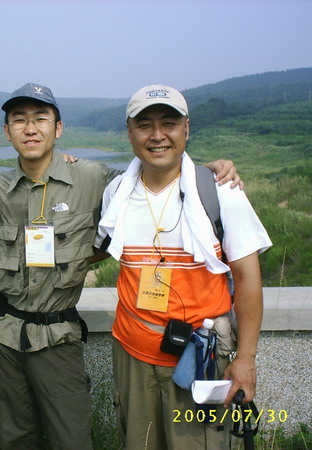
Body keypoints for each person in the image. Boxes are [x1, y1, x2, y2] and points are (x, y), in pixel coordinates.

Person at [0, 82, 241, 450]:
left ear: (58, 128)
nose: (30, 129)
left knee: (72, 439)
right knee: (13, 438)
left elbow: (156, 173)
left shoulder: (93, 178)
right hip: (3, 334)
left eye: (40, 119)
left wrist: (208, 171)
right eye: (20, 120)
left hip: (57, 336)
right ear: (6, 131)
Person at [95, 84, 272, 449]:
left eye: (169, 123)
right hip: (132, 354)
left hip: (200, 357)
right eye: (144, 125)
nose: (157, 135)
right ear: (129, 132)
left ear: (186, 128)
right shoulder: (117, 193)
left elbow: (248, 278)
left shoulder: (220, 192)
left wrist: (246, 359)